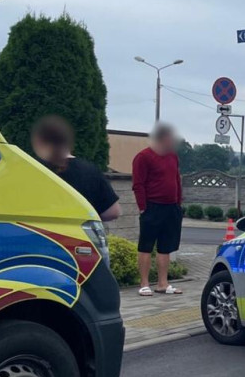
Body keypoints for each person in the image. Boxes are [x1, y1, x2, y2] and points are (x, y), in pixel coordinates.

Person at [30, 115, 121, 222]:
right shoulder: (90, 171)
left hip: (42, 234)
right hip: (80, 235)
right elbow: (113, 212)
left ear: (40, 142)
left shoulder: (32, 169)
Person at [131, 123, 184, 297]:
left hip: (171, 208)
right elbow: (138, 184)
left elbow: (177, 179)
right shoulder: (143, 157)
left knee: (165, 248)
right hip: (152, 207)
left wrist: (178, 204)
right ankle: (144, 283)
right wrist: (143, 208)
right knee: (146, 246)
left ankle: (163, 284)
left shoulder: (172, 156)